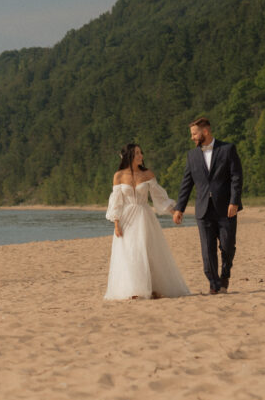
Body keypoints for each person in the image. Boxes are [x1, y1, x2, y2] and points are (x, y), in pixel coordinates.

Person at [104, 143, 191, 300]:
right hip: (126, 219)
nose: (141, 156)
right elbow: (116, 202)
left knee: (147, 250)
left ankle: (152, 288)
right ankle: (134, 290)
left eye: (141, 153)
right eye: (137, 153)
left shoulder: (147, 174)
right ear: (129, 156)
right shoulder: (119, 176)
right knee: (130, 252)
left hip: (144, 216)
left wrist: (174, 212)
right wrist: (116, 223)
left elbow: (159, 197)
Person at [173, 117, 243, 295]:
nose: (192, 137)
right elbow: (186, 184)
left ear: (205, 131)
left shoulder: (227, 149)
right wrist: (179, 208)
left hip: (226, 208)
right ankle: (214, 283)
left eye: (194, 133)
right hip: (203, 210)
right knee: (207, 249)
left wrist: (234, 201)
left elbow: (236, 177)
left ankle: (225, 275)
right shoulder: (192, 155)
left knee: (228, 246)